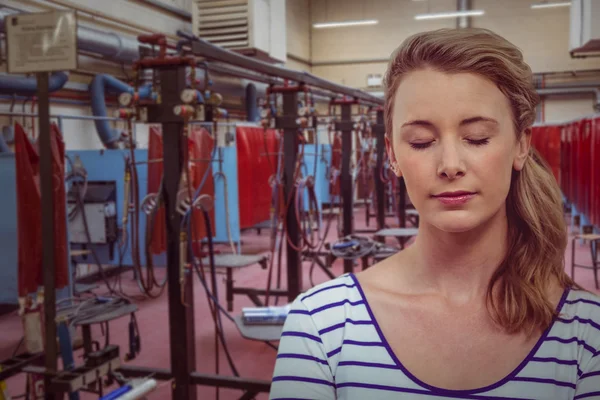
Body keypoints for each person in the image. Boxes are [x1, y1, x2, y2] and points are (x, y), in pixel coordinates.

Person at [269, 28, 600, 399]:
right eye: (421, 142)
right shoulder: (322, 323)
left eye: (476, 138)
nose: (450, 165)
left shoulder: (586, 334)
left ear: (521, 145)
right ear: (393, 154)